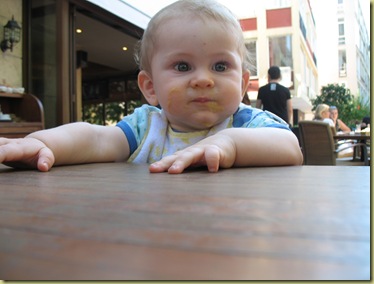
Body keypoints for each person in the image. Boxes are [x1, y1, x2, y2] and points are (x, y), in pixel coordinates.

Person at [0, 0, 303, 174]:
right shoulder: (147, 127)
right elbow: (96, 137)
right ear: (150, 87)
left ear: (241, 84)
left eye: (220, 66)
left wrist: (230, 145)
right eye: (183, 66)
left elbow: (290, 148)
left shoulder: (245, 123)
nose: (203, 79)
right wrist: (44, 142)